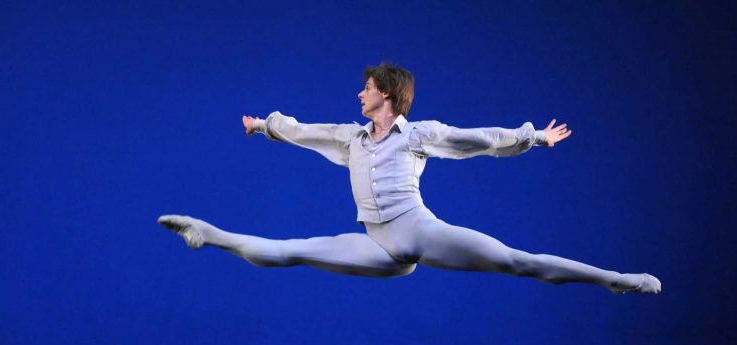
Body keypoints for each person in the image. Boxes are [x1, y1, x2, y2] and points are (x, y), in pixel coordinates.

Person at [158, 63, 661, 294]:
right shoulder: (351, 138)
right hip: (379, 247)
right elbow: (302, 130)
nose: (360, 95)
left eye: (368, 89)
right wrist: (264, 127)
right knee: (287, 252)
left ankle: (615, 280)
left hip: (417, 229)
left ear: (389, 96)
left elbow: (480, 139)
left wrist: (534, 138)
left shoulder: (419, 134)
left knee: (517, 262)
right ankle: (208, 233)